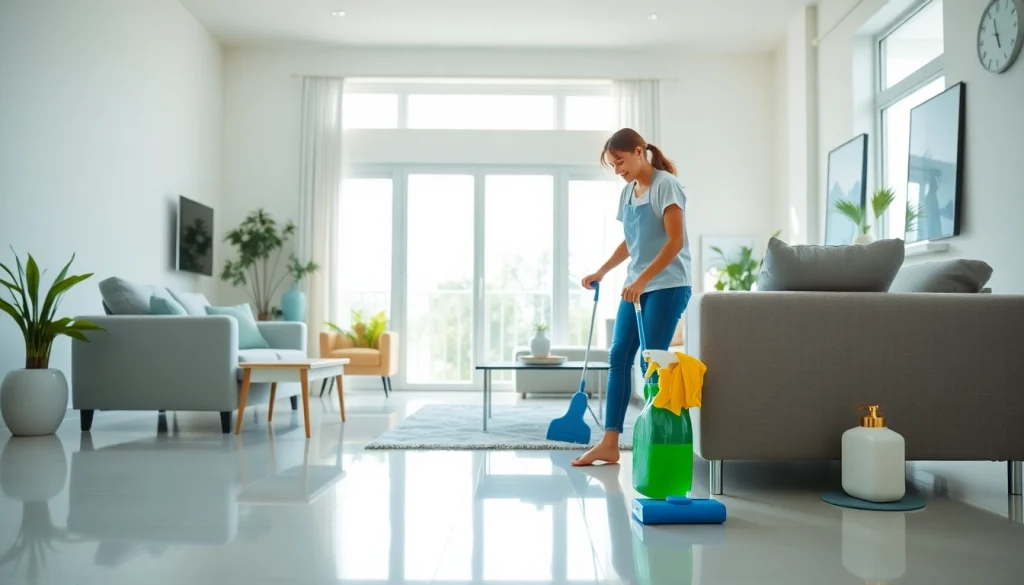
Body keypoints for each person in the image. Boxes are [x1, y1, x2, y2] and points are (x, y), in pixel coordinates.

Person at [572, 128, 692, 467]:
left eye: (620, 162)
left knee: (650, 361)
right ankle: (610, 443)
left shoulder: (665, 184)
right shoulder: (627, 194)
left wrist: (641, 280)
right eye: (612, 165)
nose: (618, 170)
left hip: (668, 285)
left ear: (640, 152)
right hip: (636, 285)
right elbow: (630, 242)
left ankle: (658, 442)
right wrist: (602, 271)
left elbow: (675, 242)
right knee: (619, 355)